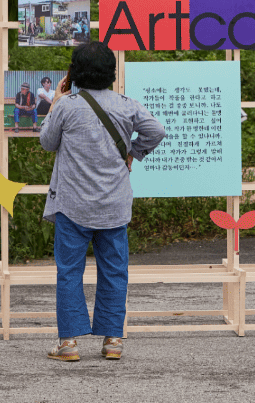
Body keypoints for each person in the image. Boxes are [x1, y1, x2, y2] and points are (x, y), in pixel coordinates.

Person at [40, 42, 167, 361]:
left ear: (75, 73)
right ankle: (112, 341)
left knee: (69, 271)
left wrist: (55, 101)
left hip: (72, 206)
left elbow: (47, 142)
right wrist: (133, 154)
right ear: (111, 73)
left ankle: (68, 343)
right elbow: (157, 131)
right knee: (114, 271)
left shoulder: (67, 106)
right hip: (114, 206)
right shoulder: (127, 105)